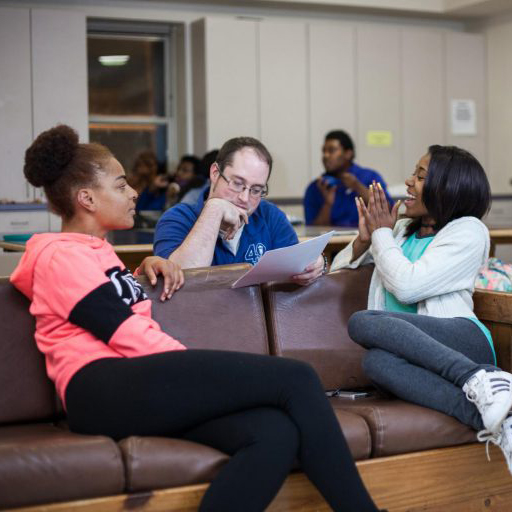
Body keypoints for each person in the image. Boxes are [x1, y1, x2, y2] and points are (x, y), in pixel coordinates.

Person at [11, 124, 382, 512]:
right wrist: (188, 364)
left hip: (131, 383)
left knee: (274, 433)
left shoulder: (97, 252)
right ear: (86, 198)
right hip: (99, 387)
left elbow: (115, 305)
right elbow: (123, 332)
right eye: (121, 186)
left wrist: (147, 270)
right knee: (297, 377)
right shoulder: (59, 255)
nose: (134, 192)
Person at [330, 145, 512, 473]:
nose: (408, 182)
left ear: (447, 186)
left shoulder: (469, 231)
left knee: (363, 323)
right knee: (375, 362)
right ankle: (499, 419)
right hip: (419, 356)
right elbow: (337, 270)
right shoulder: (400, 231)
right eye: (413, 173)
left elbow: (408, 285)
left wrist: (382, 233)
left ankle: (478, 376)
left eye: (420, 176)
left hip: (462, 339)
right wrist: (363, 240)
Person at [154, 136, 325, 285]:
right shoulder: (176, 219)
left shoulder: (269, 216)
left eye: (256, 190)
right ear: (215, 173)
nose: (244, 198)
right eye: (237, 183)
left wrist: (317, 264)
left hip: (259, 319)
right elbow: (183, 283)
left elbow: (296, 268)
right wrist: (214, 209)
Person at [304, 130, 393, 227]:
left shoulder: (370, 177)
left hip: (369, 239)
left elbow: (387, 212)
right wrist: (328, 203)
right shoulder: (316, 187)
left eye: (331, 150)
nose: (326, 156)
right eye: (324, 151)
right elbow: (313, 230)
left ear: (348, 154)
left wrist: (357, 186)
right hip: (333, 241)